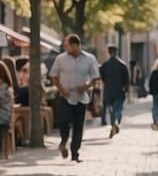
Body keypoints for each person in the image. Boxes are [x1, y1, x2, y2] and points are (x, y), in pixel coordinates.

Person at [48, 34, 100, 163]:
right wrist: (61, 89)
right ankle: (63, 142)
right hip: (65, 95)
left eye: (67, 45)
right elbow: (54, 76)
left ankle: (75, 152)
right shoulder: (60, 59)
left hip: (81, 96)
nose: (65, 47)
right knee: (64, 121)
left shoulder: (89, 59)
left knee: (78, 125)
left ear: (75, 45)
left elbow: (95, 77)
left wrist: (87, 86)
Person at [98, 46, 130, 138]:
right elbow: (126, 80)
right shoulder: (123, 65)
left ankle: (113, 124)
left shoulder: (105, 65)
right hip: (119, 91)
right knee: (117, 109)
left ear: (109, 52)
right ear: (116, 52)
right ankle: (116, 122)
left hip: (108, 91)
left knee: (111, 109)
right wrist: (127, 90)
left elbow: (102, 78)